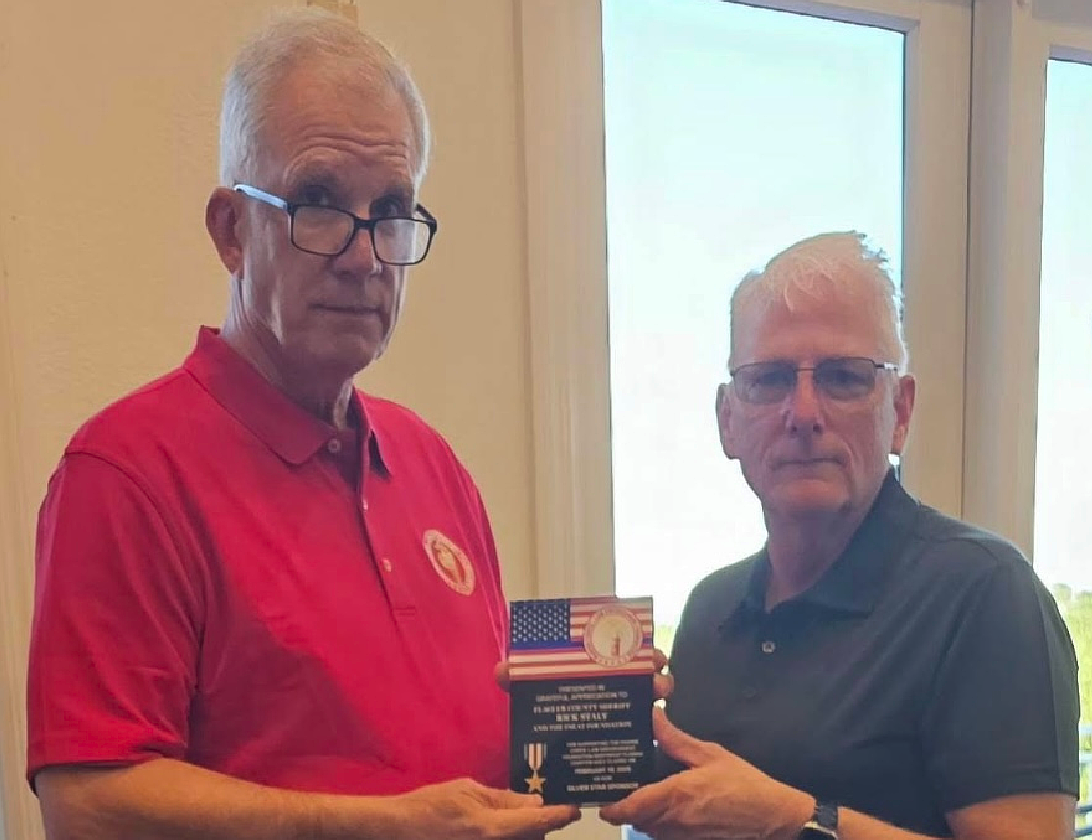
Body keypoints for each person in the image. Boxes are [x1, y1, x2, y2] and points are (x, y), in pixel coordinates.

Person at [25, 9, 579, 840]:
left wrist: (605, 720)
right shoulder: (126, 471)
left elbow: (475, 751)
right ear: (230, 230)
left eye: (391, 209)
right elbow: (90, 806)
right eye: (317, 202)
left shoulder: (433, 464)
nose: (362, 256)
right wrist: (379, 827)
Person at [599, 232, 1079, 840]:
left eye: (844, 378)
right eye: (769, 379)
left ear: (899, 413)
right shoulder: (710, 608)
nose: (803, 412)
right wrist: (589, 730)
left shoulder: (983, 594)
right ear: (728, 421)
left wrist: (798, 822)